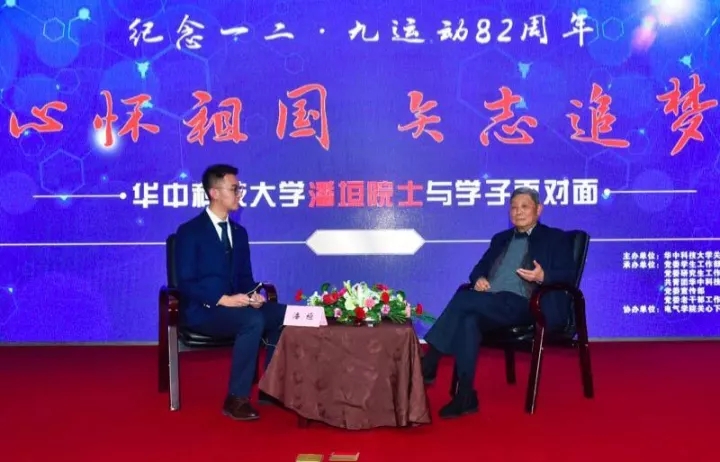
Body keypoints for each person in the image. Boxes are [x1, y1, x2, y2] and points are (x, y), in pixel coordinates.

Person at [421, 187, 576, 419]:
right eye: (513, 207)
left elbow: (568, 274)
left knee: (463, 300)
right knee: (469, 320)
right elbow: (478, 270)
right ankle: (465, 396)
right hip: (492, 302)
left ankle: (430, 362)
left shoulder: (555, 238)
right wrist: (479, 279)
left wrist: (543, 276)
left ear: (538, 209)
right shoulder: (501, 238)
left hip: (526, 304)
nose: (518, 212)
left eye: (524, 206)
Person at [175, 164, 287, 421]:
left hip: (237, 307)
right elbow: (185, 282)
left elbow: (245, 279)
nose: (239, 194)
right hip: (204, 310)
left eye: (239, 188)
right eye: (234, 189)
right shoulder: (190, 232)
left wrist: (254, 295)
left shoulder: (239, 233)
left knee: (284, 314)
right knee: (252, 321)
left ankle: (270, 388)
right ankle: (236, 398)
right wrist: (222, 299)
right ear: (214, 193)